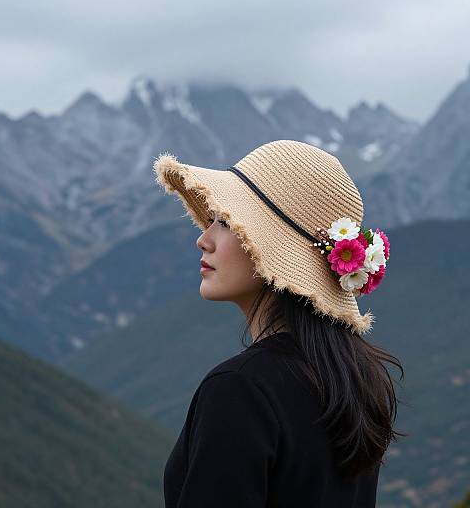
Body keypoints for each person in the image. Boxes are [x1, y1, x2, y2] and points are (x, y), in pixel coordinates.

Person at [153, 139, 404, 507]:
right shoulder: (356, 381)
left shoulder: (241, 388)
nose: (203, 240)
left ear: (266, 246)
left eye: (225, 222)